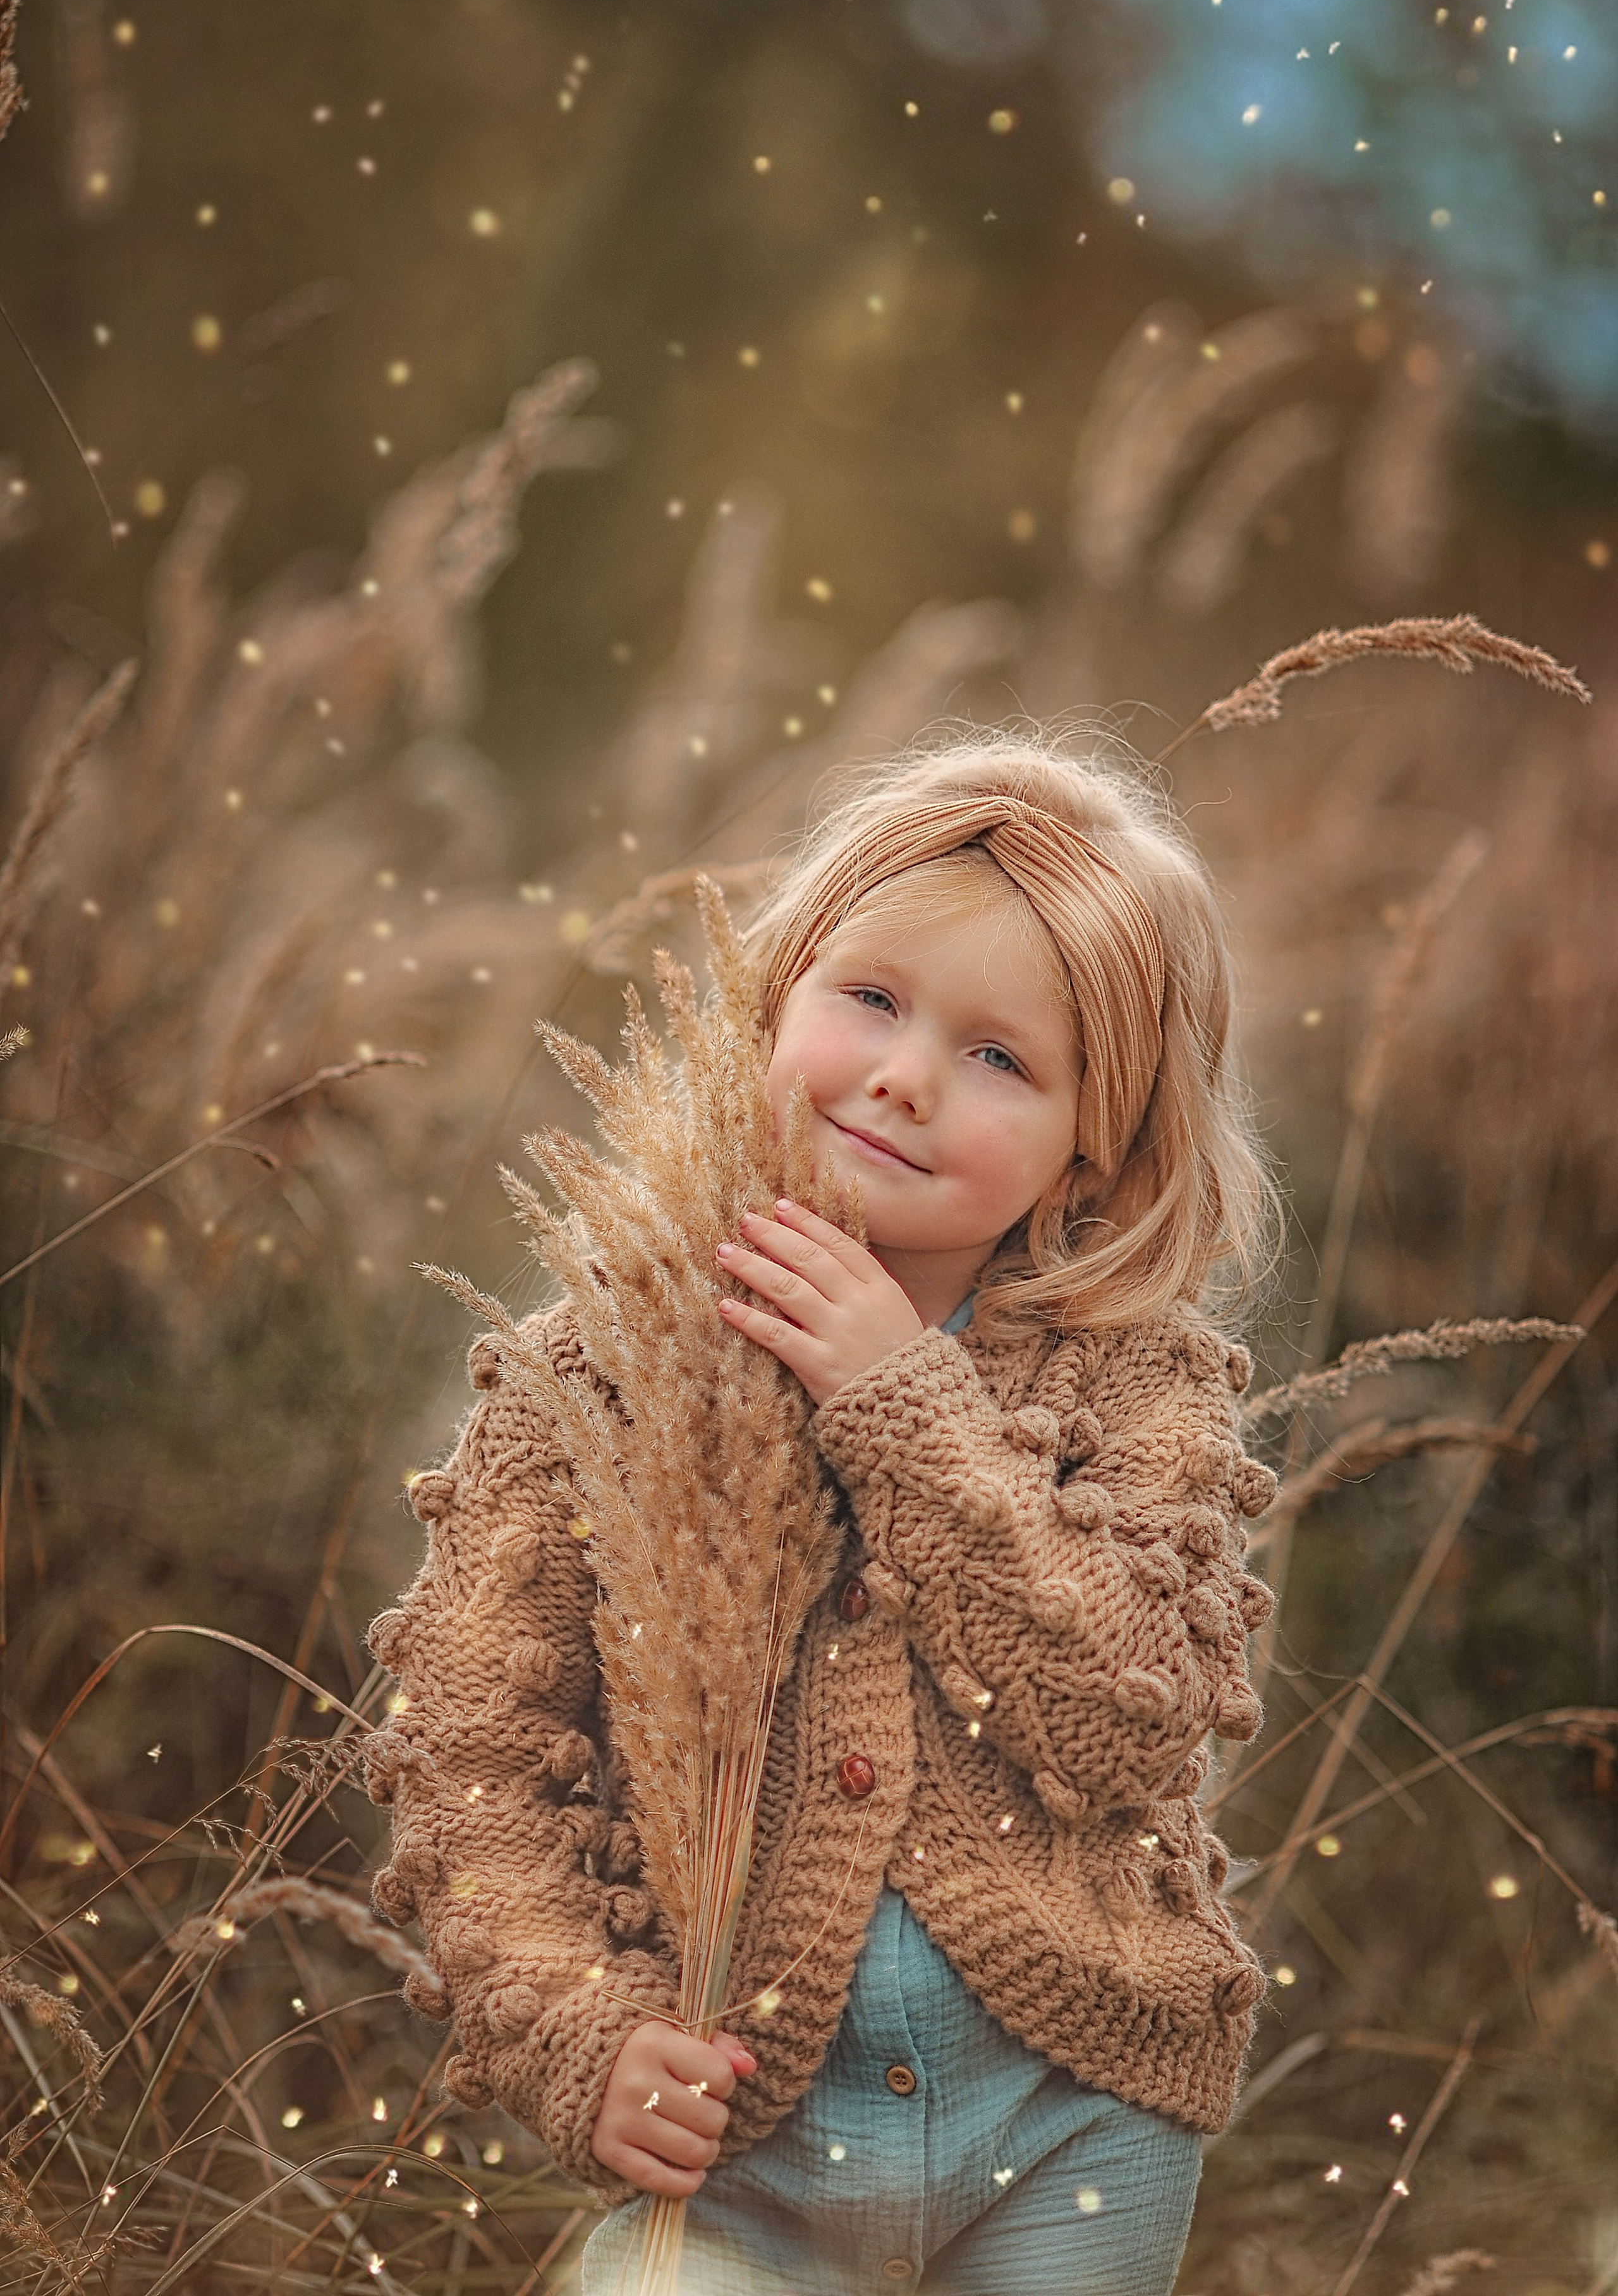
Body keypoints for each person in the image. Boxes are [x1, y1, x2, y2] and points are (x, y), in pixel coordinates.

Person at [365, 733, 1284, 2296]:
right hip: (737, 2153)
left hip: (1071, 2124)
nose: (905, 1074)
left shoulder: (1134, 1384)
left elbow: (1130, 1712)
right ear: (771, 996)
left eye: (1003, 1057)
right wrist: (581, 2037)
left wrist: (897, 1403)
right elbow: (469, 1767)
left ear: (1097, 1147)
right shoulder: (590, 1376)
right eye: (868, 997)